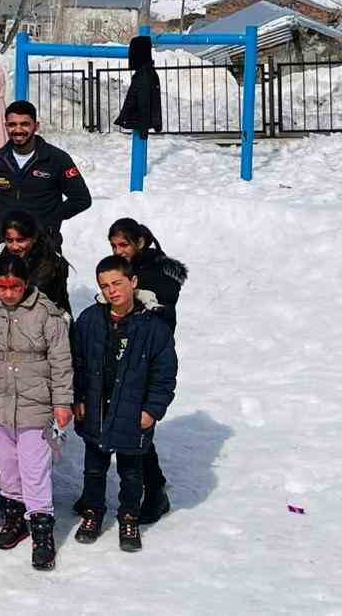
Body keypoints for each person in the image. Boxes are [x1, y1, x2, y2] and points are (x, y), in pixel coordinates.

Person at [71, 257, 178, 553]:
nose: (112, 291)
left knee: (131, 472)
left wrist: (152, 410)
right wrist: (78, 398)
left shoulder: (154, 327)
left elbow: (164, 374)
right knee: (94, 469)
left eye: (117, 283)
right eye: (105, 286)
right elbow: (76, 362)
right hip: (96, 409)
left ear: (133, 282)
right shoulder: (90, 319)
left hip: (133, 411)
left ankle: (129, 516)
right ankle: (93, 512)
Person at [0, 254, 73, 571]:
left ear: (26, 283)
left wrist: (62, 402)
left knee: (34, 468)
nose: (8, 293)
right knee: (7, 465)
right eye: (1, 286)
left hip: (35, 403)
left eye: (14, 287)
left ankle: (42, 530)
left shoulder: (46, 313)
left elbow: (61, 361)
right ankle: (14, 519)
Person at [105, 217, 188, 524]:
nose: (118, 251)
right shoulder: (122, 270)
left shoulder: (160, 272)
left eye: (123, 245)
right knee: (123, 424)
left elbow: (164, 307)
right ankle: (141, 487)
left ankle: (155, 491)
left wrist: (135, 295)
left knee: (136, 428)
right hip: (123, 354)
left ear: (140, 242)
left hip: (148, 359)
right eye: (114, 246)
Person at [0, 101, 92, 247]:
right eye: (12, 124)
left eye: (24, 124)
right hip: (7, 245)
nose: (18, 130)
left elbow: (81, 199)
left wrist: (49, 218)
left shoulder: (57, 159)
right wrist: (6, 211)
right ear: (6, 126)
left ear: (36, 126)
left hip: (44, 247)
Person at [0, 211, 71, 314]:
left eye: (20, 240)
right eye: (10, 240)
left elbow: (58, 303)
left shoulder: (51, 263)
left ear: (34, 238)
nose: (15, 247)